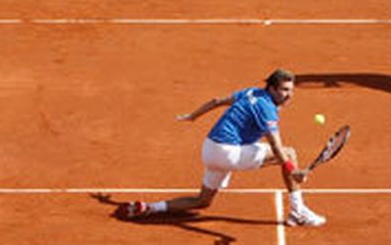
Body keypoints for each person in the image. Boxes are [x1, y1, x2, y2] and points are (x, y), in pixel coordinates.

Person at [114, 68, 326, 227]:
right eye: (284, 90)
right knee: (290, 153)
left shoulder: (251, 92)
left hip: (210, 149)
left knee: (202, 201)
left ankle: (149, 208)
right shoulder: (267, 109)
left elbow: (216, 101)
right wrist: (292, 170)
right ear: (271, 88)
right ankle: (298, 211)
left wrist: (193, 116)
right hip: (227, 152)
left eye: (291, 90)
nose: (289, 95)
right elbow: (276, 145)